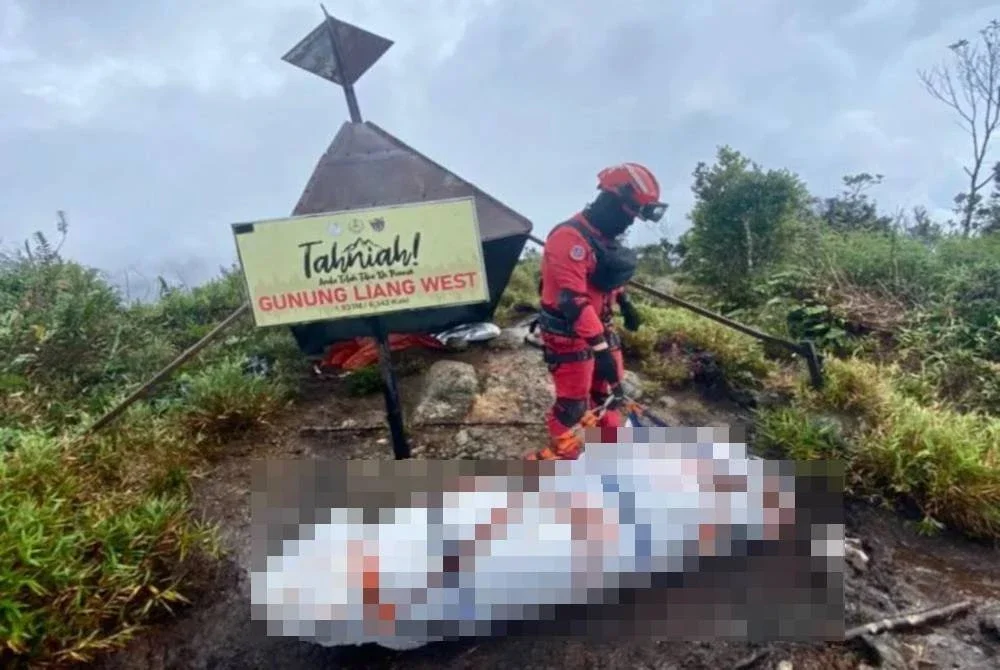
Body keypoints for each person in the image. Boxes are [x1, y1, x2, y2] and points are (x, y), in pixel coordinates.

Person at [526, 163, 668, 461]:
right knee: (573, 406)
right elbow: (573, 301)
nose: (629, 224)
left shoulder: (604, 237)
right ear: (610, 200)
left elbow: (604, 279)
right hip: (568, 333)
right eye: (628, 215)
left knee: (610, 394)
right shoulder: (568, 238)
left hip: (601, 327)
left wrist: (625, 303)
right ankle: (567, 462)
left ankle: (610, 454)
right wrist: (600, 349)